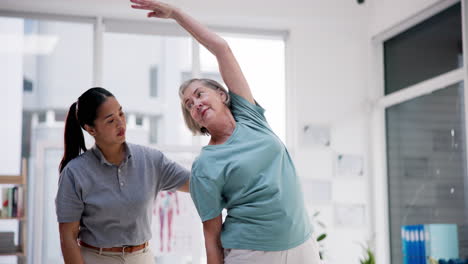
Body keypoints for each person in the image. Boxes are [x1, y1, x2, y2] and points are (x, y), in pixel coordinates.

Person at [131, 1, 322, 264]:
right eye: (190, 105)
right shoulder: (205, 164)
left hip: (303, 243)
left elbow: (221, 48)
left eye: (199, 94)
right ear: (195, 121)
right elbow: (211, 235)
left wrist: (176, 14)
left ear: (222, 94)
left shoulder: (251, 116)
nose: (196, 103)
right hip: (252, 253)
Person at [56, 87, 190, 264]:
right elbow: (68, 237)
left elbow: (197, 184)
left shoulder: (150, 159)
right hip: (96, 259)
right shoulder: (74, 172)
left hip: (142, 257)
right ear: (90, 129)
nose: (121, 124)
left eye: (121, 114)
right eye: (111, 120)